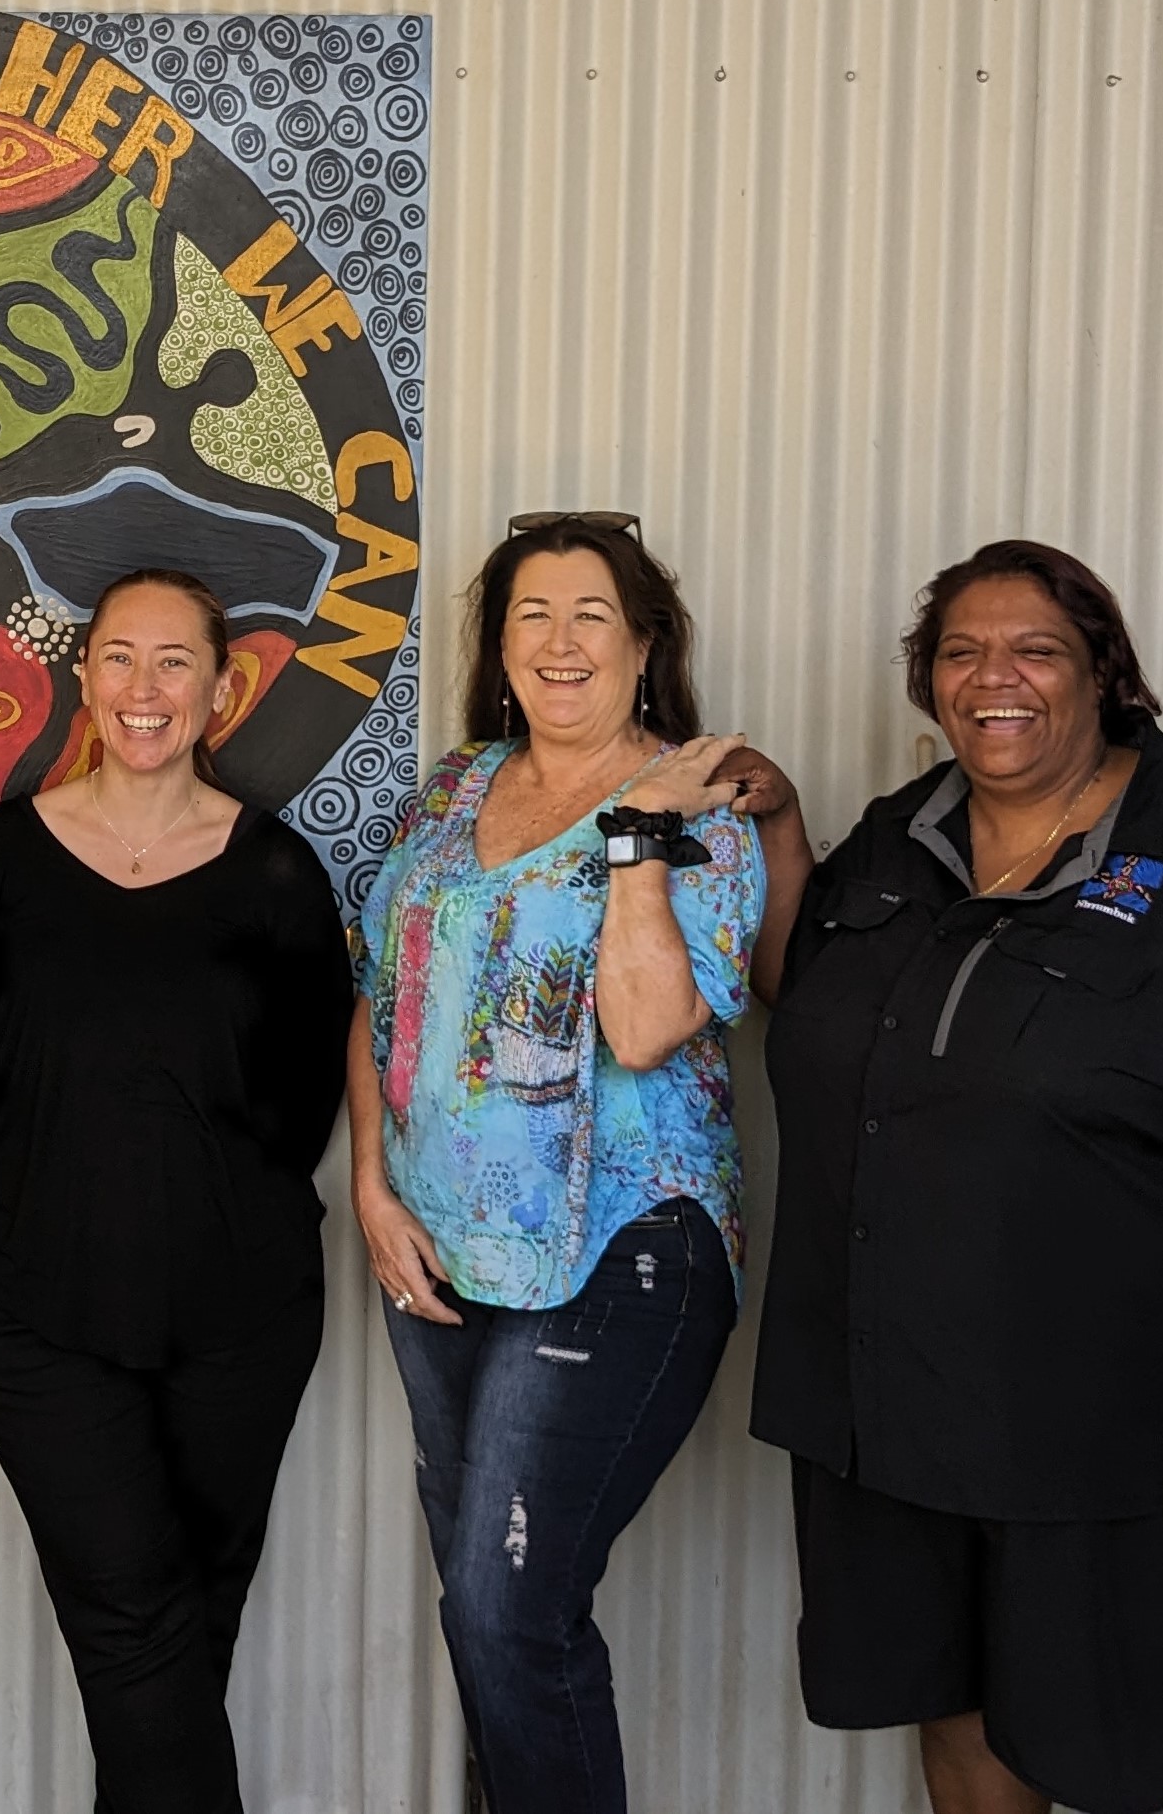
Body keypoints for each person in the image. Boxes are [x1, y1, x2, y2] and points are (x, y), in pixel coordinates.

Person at [748, 539, 1163, 1814]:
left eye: (1035, 650)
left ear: (1104, 675)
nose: (993, 677)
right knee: (959, 1711)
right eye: (961, 652)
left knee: (1149, 1744)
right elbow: (813, 1006)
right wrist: (785, 836)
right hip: (895, 1402)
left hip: (1129, 1426)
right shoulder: (902, 837)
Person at [346, 514, 765, 1814]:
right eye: (532, 614)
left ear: (645, 645)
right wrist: (369, 1184)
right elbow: (379, 1002)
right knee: (487, 1622)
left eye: (592, 613)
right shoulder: (454, 789)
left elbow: (647, 1025)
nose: (560, 641)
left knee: (505, 1611)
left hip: (619, 1245)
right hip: (436, 1253)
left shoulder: (701, 809)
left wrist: (635, 832)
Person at [0, 569, 352, 1814]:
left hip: (244, 1313)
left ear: (223, 689)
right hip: (35, 1304)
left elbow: (299, 1100)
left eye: (175, 663)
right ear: (83, 674)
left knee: (187, 1623)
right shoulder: (0, 856)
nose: (144, 689)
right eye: (119, 657)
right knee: (133, 1612)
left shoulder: (275, 871)